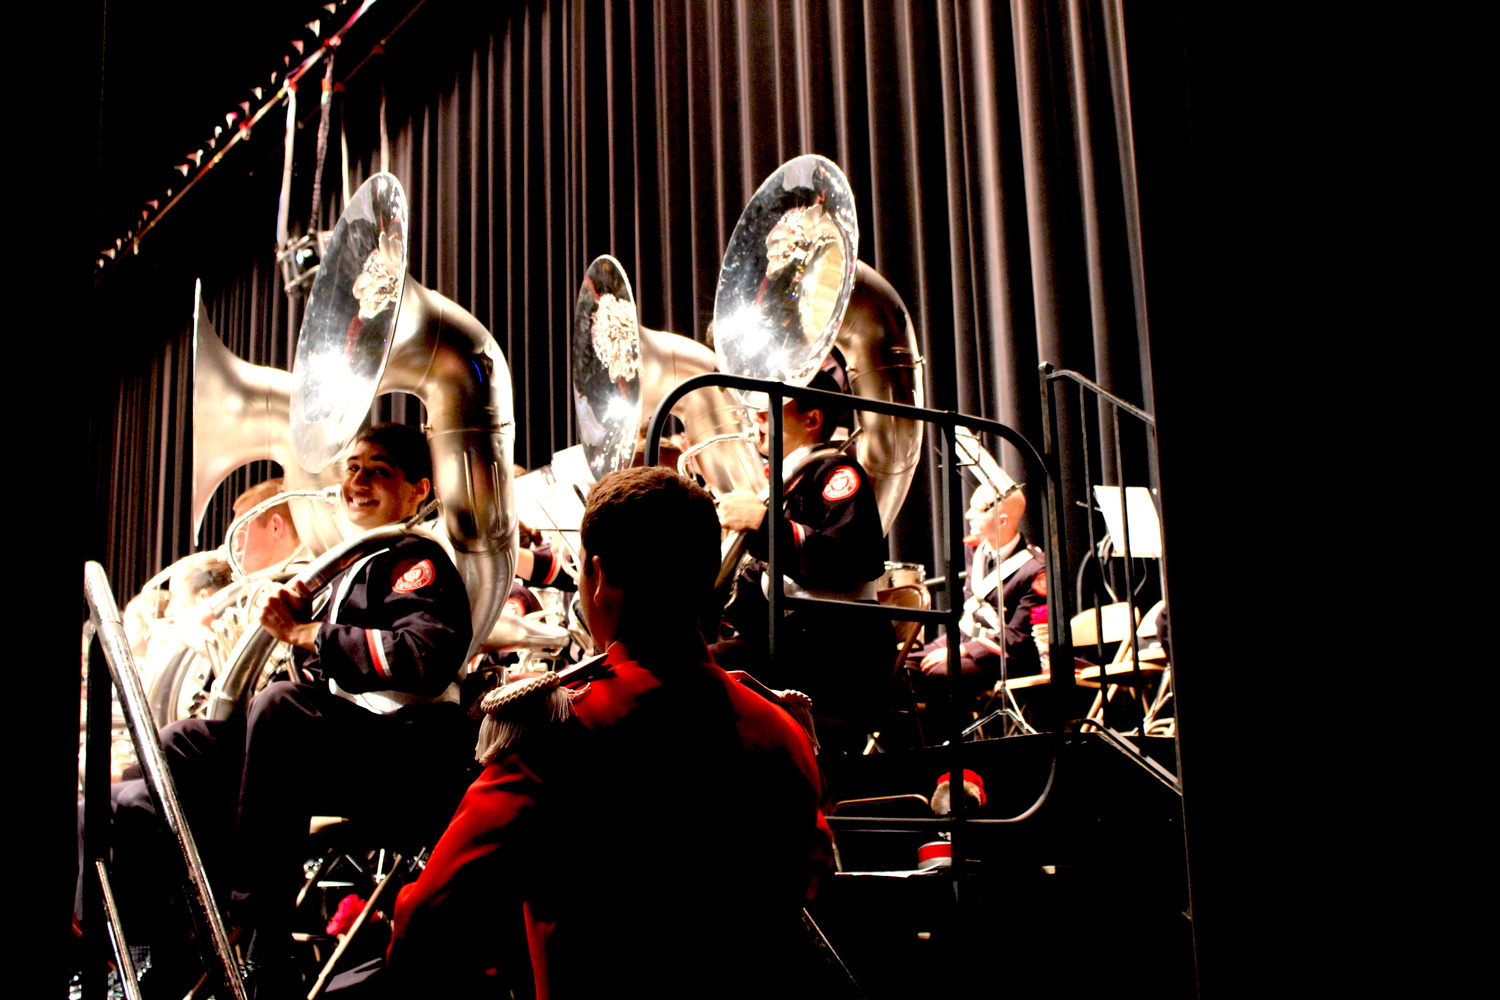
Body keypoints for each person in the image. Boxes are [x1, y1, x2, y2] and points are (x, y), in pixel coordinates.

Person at [382, 466, 833, 997]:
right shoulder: (782, 726)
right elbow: (811, 879)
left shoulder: (561, 729)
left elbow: (428, 924)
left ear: (596, 577)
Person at [88, 423, 476, 993]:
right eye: (352, 467)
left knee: (280, 707)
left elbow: (423, 655)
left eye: (379, 471)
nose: (357, 481)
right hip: (344, 749)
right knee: (176, 744)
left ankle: (262, 940)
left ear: (420, 490)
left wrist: (309, 633)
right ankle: (154, 947)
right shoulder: (351, 564)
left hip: (406, 756)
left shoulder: (416, 558)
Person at [712, 348, 894, 739]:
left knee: (694, 673)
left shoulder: (837, 471)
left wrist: (761, 525)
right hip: (803, 641)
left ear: (812, 419)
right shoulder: (783, 485)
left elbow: (853, 559)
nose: (756, 417)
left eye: (770, 408)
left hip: (838, 651)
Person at [912, 479, 1046, 690]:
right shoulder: (976, 550)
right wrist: (958, 646)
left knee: (941, 673)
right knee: (903, 666)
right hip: (965, 638)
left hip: (1007, 655)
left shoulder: (1036, 569)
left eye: (978, 510)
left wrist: (963, 651)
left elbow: (1018, 636)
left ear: (1002, 521)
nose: (968, 515)